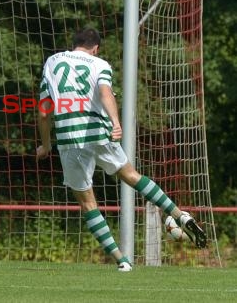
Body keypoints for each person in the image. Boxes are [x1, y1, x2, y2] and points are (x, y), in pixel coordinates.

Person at [35, 27, 207, 272]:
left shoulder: (53, 62)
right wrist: (116, 123)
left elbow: (43, 112)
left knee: (88, 204)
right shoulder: (99, 64)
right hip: (100, 130)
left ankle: (121, 260)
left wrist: (46, 144)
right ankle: (179, 214)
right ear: (95, 48)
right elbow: (105, 93)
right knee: (131, 176)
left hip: (69, 137)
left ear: (75, 44)